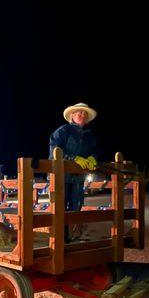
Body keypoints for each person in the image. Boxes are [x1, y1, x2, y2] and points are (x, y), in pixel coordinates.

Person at [49, 103, 98, 242]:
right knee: (59, 207)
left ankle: (71, 238)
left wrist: (93, 158)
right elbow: (55, 150)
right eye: (79, 113)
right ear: (72, 116)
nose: (82, 115)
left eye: (84, 114)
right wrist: (73, 158)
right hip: (60, 177)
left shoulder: (90, 136)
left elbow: (96, 150)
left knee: (76, 206)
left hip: (77, 178)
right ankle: (60, 240)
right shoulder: (63, 131)